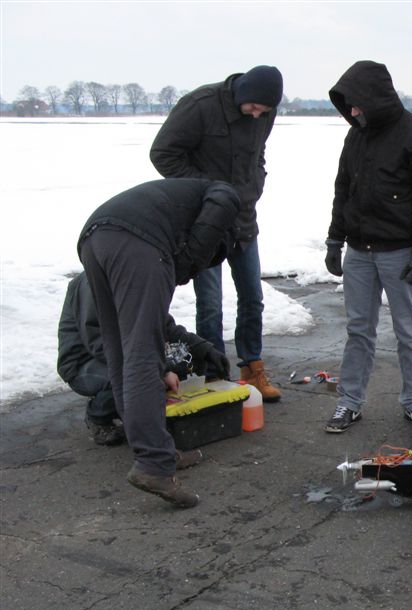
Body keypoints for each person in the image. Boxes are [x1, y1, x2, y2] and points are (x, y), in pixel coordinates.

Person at [77, 178, 240, 508]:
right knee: (142, 356)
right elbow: (225, 197)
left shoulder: (175, 206)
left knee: (122, 352)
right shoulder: (222, 195)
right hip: (134, 239)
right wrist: (189, 261)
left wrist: (200, 347)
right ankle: (153, 464)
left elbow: (156, 322)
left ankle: (155, 450)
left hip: (95, 238)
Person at [322, 61, 412, 434]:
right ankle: (349, 401)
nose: (352, 110)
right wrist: (335, 240)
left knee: (408, 330)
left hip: (400, 252)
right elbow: (343, 190)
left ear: (374, 97)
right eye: (347, 104)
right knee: (359, 329)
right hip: (359, 252)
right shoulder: (356, 136)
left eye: (356, 102)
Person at [150, 64, 284, 402]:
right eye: (254, 107)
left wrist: (255, 184)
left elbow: (258, 155)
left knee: (252, 296)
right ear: (243, 94)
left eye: (265, 111)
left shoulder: (264, 113)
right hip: (205, 221)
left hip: (244, 217)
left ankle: (252, 367)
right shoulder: (200, 105)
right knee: (210, 302)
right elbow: (163, 153)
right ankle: (215, 373)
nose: (258, 115)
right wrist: (206, 190)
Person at [57, 272, 232, 446]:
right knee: (136, 377)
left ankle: (149, 410)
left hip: (129, 352)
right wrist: (160, 370)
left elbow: (165, 325)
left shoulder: (136, 275)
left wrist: (204, 349)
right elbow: (101, 345)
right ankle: (98, 415)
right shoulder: (91, 283)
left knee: (189, 359)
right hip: (84, 362)